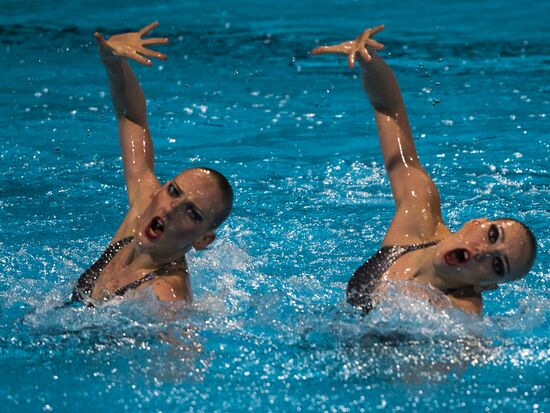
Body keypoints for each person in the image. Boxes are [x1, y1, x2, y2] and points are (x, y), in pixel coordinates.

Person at [311, 25, 536, 314]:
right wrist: (369, 62)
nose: (482, 252)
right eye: (492, 235)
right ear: (476, 223)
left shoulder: (458, 311)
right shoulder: (418, 217)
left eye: (497, 265)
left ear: (487, 285)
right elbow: (388, 111)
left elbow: (468, 348)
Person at [71, 22, 233, 305]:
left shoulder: (165, 295)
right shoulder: (144, 206)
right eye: (174, 191)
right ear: (162, 189)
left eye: (192, 213)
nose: (170, 209)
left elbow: (184, 346)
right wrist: (112, 59)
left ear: (203, 240)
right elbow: (131, 117)